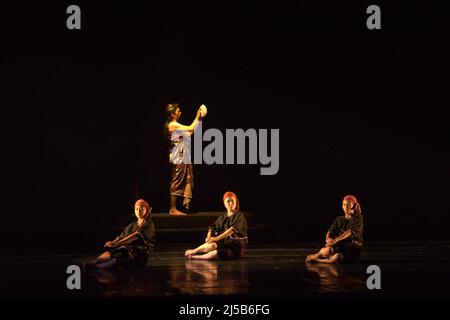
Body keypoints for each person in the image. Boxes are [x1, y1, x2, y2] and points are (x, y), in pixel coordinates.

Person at [85, 199, 156, 269]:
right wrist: (112, 242)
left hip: (139, 255)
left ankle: (96, 266)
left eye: (141, 208)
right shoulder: (132, 225)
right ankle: (94, 262)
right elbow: (121, 236)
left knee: (118, 259)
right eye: (137, 209)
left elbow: (135, 236)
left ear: (147, 210)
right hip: (127, 249)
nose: (139, 211)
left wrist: (117, 243)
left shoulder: (149, 224)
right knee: (113, 253)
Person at [164, 103, 203, 215]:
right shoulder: (172, 125)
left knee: (182, 178)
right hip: (178, 156)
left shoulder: (176, 124)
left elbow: (190, 132)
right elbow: (191, 128)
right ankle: (172, 208)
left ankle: (175, 207)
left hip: (181, 155)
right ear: (172, 114)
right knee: (177, 180)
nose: (180, 112)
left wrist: (198, 118)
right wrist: (197, 116)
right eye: (177, 111)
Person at [184, 191, 248, 260]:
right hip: (224, 244)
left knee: (215, 253)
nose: (231, 203)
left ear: (236, 202)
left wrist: (217, 238)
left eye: (232, 201)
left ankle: (197, 257)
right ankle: (194, 251)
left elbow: (232, 230)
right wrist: (209, 236)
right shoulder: (223, 217)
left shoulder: (239, 216)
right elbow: (213, 227)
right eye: (228, 201)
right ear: (224, 203)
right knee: (212, 245)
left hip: (234, 249)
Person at [306, 194, 363, 264]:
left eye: (349, 205)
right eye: (344, 205)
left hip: (352, 249)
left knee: (337, 257)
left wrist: (335, 240)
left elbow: (349, 232)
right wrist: (328, 239)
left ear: (354, 206)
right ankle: (317, 255)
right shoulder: (339, 219)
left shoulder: (358, 218)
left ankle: (318, 260)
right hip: (340, 247)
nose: (346, 207)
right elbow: (330, 231)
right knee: (328, 250)